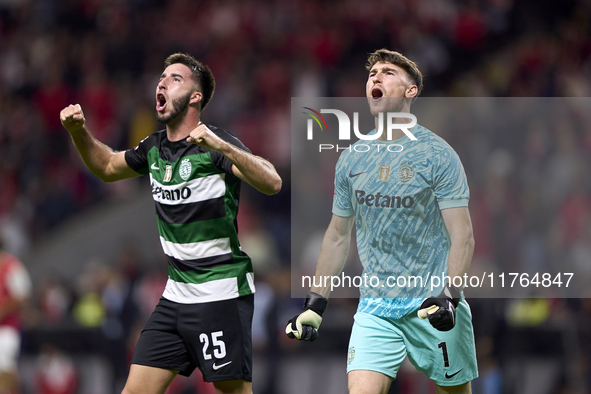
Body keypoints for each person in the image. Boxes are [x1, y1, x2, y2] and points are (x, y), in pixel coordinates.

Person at [60, 53, 282, 394]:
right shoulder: (152, 149)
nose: (162, 82)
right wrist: (78, 131)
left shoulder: (214, 147)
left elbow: (272, 182)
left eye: (175, 78)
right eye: (162, 77)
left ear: (195, 97)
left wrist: (221, 145)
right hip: (175, 296)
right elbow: (106, 167)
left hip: (219, 294)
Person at [286, 49, 478, 394]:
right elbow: (337, 236)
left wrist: (450, 293)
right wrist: (315, 303)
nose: (375, 77)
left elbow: (462, 235)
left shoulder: (439, 155)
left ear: (410, 91)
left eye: (388, 72)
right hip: (375, 308)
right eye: (372, 73)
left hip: (431, 302)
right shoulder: (351, 160)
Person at [0, 238, 32, 394]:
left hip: (6, 328)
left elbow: (23, 295)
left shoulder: (11, 265)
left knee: (5, 368)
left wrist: (4, 310)